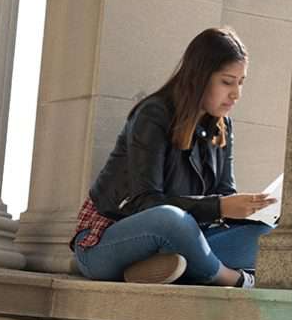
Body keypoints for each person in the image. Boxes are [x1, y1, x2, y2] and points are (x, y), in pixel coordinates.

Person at [70, 27, 277, 288]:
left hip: (181, 241)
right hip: (106, 242)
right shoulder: (153, 114)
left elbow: (224, 196)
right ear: (200, 77)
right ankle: (232, 278)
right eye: (227, 82)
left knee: (266, 237)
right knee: (171, 219)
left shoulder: (223, 126)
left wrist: (258, 209)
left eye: (241, 82)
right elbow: (145, 203)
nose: (236, 93)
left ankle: (165, 268)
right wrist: (221, 206)